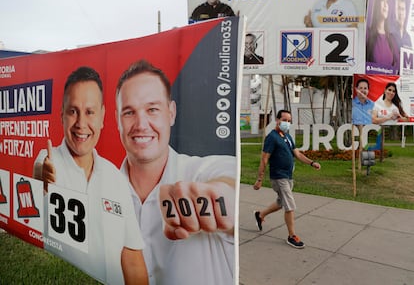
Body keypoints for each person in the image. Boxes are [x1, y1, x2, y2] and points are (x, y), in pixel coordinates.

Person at [115, 59, 236, 285]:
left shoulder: (198, 172)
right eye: (129, 112)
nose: (141, 124)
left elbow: (228, 178)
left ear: (171, 113)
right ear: (117, 120)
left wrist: (220, 196)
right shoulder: (106, 188)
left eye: (152, 109)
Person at [33, 67, 148, 285]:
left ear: (103, 116)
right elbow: (39, 173)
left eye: (90, 112)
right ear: (61, 115)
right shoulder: (48, 161)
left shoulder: (116, 178)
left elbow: (132, 259)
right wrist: (41, 177)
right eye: (73, 111)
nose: (81, 124)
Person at [253, 109, 321, 249]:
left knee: (280, 203)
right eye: (284, 120)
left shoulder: (287, 137)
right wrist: (260, 179)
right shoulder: (272, 137)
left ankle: (260, 215)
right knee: (290, 205)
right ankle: (292, 236)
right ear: (277, 120)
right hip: (279, 177)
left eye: (289, 121)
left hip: (288, 176)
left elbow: (297, 154)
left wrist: (311, 162)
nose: (287, 123)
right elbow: (264, 159)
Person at [366, 0, 399, 69]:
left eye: (387, 1)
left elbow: (398, 68)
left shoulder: (392, 39)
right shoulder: (367, 34)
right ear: (376, 4)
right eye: (382, 0)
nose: (385, 5)